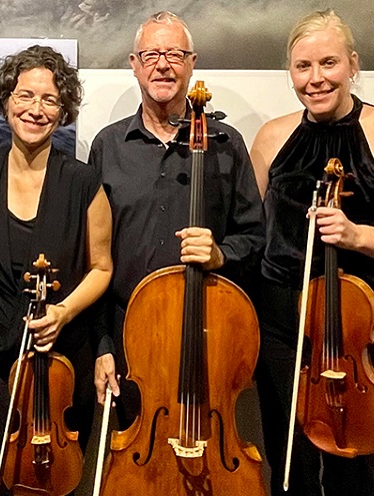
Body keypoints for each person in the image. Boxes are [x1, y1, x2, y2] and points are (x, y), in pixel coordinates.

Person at [250, 9, 374, 496]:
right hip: (284, 327)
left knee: (354, 462)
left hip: (359, 331)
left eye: (328, 63)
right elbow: (248, 235)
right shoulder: (271, 139)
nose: (315, 79)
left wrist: (358, 236)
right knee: (289, 460)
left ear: (352, 64)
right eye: (302, 67)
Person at [88, 11, 265, 426]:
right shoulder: (108, 146)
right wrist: (102, 345)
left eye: (174, 54)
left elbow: (255, 236)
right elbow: (92, 256)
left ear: (192, 62)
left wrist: (220, 254)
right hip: (130, 335)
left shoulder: (225, 144)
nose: (162, 64)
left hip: (208, 334)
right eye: (150, 54)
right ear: (134, 64)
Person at [0, 45, 113, 496]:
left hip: (63, 361)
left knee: (52, 484)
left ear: (63, 110)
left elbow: (102, 267)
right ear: (6, 100)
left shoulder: (83, 181)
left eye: (49, 100)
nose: (35, 109)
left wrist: (63, 312)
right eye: (25, 95)